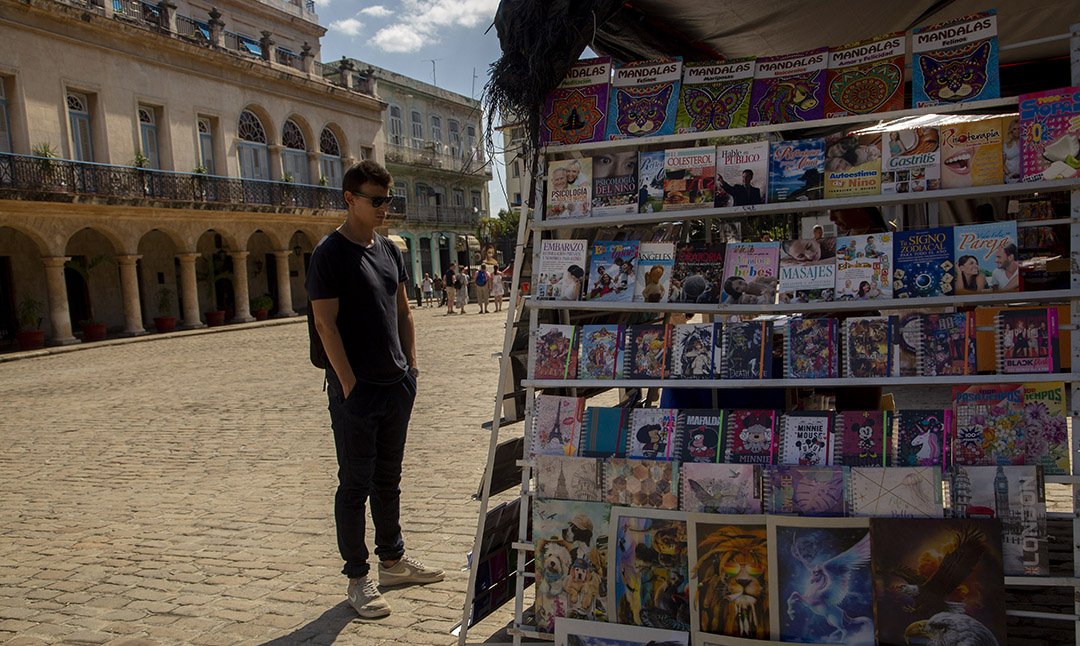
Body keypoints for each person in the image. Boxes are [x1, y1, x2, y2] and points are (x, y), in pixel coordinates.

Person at [306, 160, 444, 620]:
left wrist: (411, 369)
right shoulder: (330, 254)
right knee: (355, 484)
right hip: (357, 391)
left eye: (389, 199)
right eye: (377, 199)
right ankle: (357, 578)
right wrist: (348, 384)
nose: (386, 207)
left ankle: (393, 561)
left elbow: (403, 311)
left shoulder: (388, 249)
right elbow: (325, 325)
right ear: (350, 199)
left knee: (389, 478)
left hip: (396, 384)